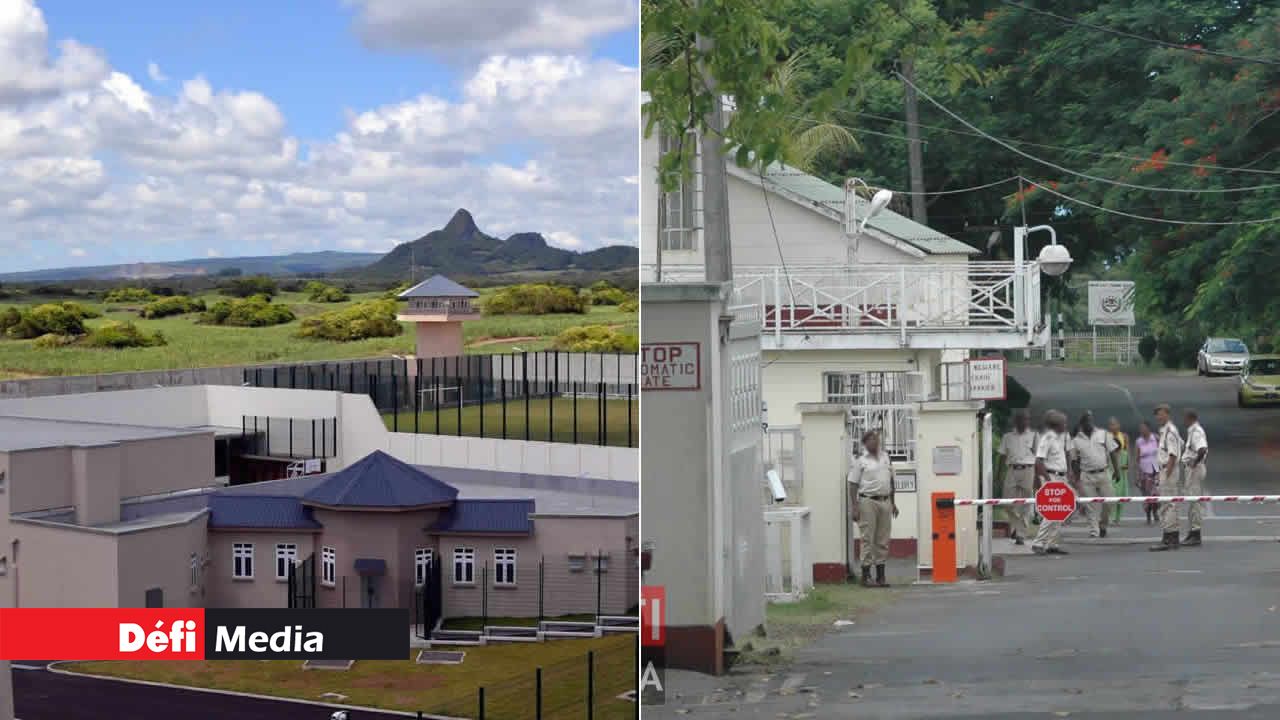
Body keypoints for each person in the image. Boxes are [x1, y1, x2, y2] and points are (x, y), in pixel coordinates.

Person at [848, 430, 898, 587]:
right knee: (867, 538)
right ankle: (866, 575)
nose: (875, 442)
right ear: (865, 443)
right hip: (868, 501)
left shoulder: (885, 457)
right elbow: (852, 483)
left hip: (885, 501)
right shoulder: (861, 461)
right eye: (871, 440)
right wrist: (855, 507)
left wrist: (893, 502)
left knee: (883, 539)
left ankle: (881, 576)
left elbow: (891, 481)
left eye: (876, 439)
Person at [1069, 411, 1119, 538]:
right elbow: (1074, 461)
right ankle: (1094, 530)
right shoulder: (1075, 440)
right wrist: (1076, 478)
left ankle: (1103, 524)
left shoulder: (1103, 434)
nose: (1089, 423)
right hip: (1086, 475)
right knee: (1090, 505)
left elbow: (1112, 452)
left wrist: (1117, 471)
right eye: (1086, 421)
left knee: (1110, 501)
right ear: (1082, 424)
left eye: (1091, 420)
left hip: (1103, 472)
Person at [1031, 409, 1071, 555]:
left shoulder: (1059, 438)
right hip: (1052, 477)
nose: (1065, 425)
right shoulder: (1047, 438)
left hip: (1061, 477)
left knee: (1060, 511)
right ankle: (1038, 542)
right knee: (1052, 511)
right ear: (1056, 425)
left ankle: (1052, 543)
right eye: (1063, 423)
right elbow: (1039, 461)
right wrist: (1048, 481)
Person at [997, 409, 1038, 545]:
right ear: (1016, 421)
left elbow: (1039, 458)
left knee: (1027, 502)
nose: (1024, 422)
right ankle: (1019, 526)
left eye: (1026, 419)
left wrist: (1038, 476)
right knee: (1006, 503)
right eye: (1021, 419)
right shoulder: (1007, 437)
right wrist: (999, 474)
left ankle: (1020, 534)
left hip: (1028, 470)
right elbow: (1002, 456)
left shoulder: (1034, 436)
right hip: (1012, 470)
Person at [1150, 403, 1185, 551]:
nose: (1158, 416)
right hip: (1166, 469)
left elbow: (1173, 455)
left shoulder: (1170, 431)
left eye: (1160, 413)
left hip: (1168, 470)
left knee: (1168, 505)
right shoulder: (1167, 431)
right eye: (1157, 414)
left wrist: (1166, 475)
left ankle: (1169, 538)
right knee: (1169, 504)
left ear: (1167, 414)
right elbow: (1181, 444)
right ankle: (1172, 536)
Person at [1180, 409, 1209, 547]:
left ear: (1190, 418)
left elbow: (1202, 449)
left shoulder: (1196, 431)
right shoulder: (1192, 431)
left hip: (1195, 470)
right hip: (1193, 469)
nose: (1183, 421)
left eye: (1184, 418)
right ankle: (1192, 531)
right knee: (1192, 502)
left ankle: (1196, 533)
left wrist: (1194, 462)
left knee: (1195, 501)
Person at [1107, 417, 1131, 525]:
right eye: (1111, 425)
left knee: (1121, 494)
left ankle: (1118, 517)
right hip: (1111, 468)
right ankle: (1111, 517)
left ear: (1119, 425)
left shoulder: (1124, 436)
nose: (1113, 427)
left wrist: (1127, 464)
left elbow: (1127, 450)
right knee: (1112, 492)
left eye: (1115, 424)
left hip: (1122, 468)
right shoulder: (1107, 437)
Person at [1135, 421, 1160, 524]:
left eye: (1144, 428)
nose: (1142, 430)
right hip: (1144, 471)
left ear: (1148, 429)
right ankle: (1148, 515)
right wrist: (1136, 474)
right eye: (1141, 428)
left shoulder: (1155, 438)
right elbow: (1137, 458)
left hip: (1155, 470)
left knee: (1155, 494)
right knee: (1146, 495)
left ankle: (1155, 511)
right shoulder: (1139, 441)